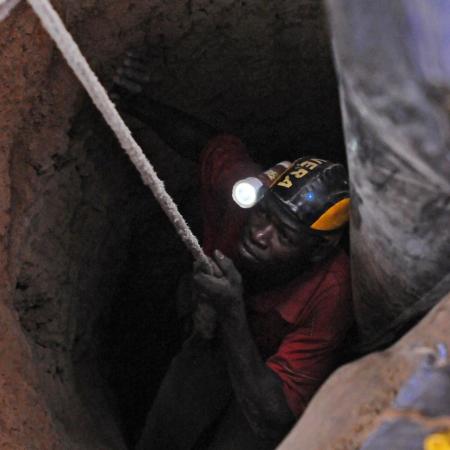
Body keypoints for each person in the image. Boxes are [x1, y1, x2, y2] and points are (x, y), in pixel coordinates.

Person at [112, 52, 354, 450]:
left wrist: (232, 313)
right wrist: (134, 100)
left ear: (315, 254)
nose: (259, 235)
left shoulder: (332, 291)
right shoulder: (242, 193)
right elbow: (209, 145)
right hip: (210, 335)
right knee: (169, 422)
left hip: (265, 377)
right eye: (263, 216)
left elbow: (273, 417)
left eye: (285, 236)